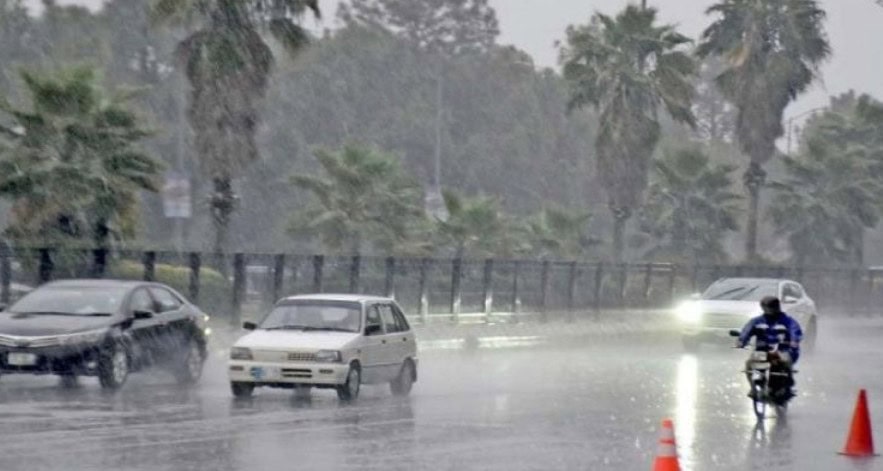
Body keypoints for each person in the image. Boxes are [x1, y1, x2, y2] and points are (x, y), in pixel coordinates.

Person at [737, 296, 803, 399]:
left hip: (783, 351)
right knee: (749, 364)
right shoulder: (757, 321)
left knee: (785, 362)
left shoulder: (788, 321)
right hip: (762, 352)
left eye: (773, 307)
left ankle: (787, 384)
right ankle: (753, 388)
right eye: (768, 307)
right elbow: (747, 331)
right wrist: (741, 341)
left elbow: (795, 331)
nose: (770, 309)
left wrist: (794, 341)